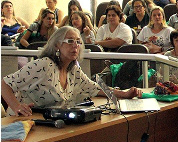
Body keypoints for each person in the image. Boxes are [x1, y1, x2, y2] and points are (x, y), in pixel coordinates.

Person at [2, 26, 140, 116]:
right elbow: (4, 84)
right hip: (20, 122)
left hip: (47, 124)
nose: (75, 45)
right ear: (57, 45)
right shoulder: (44, 65)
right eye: (70, 41)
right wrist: (17, 106)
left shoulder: (72, 69)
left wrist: (124, 94)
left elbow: (94, 88)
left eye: (78, 42)